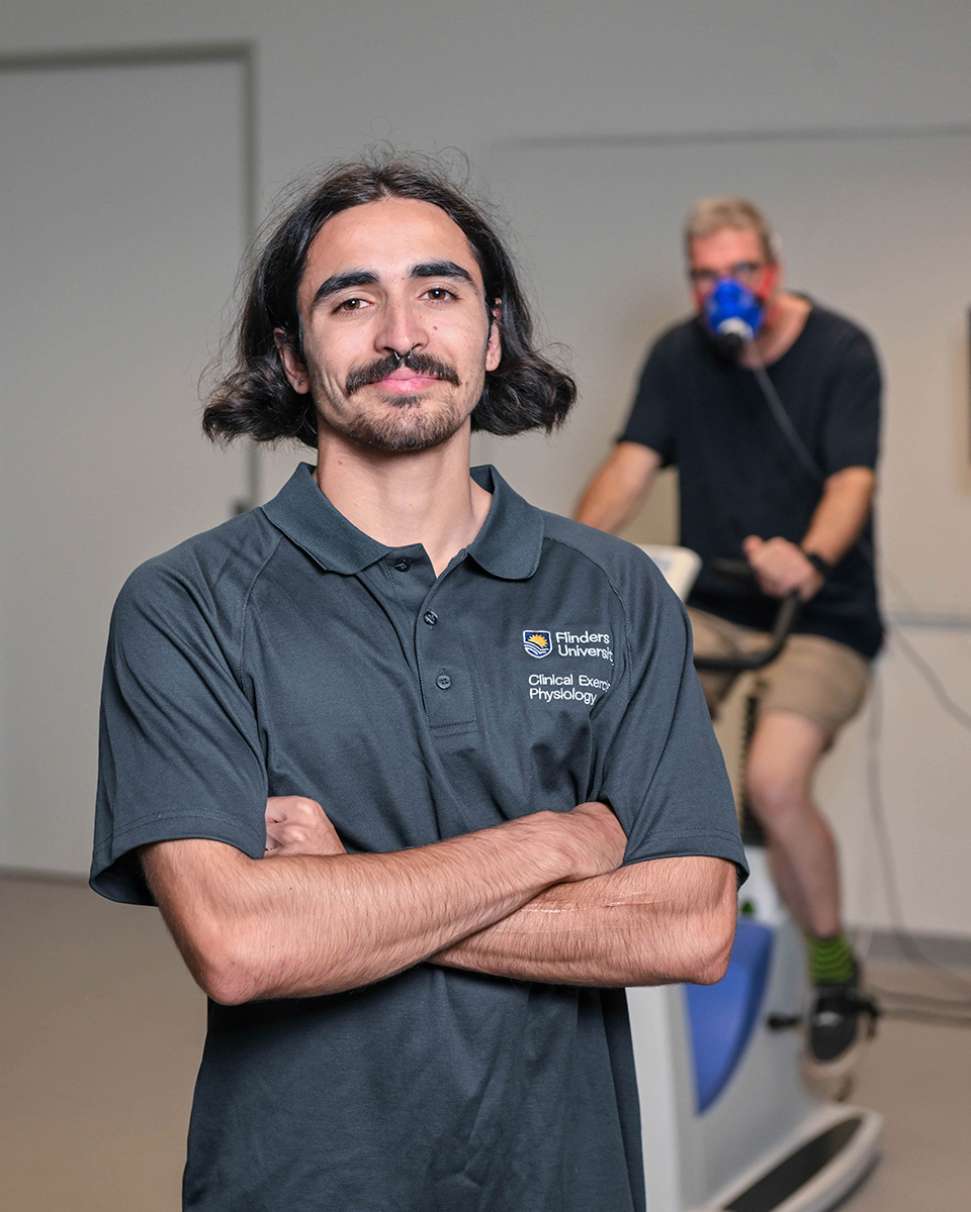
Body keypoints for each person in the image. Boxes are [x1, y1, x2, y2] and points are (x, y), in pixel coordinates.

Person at [90, 157, 746, 1212]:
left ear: (489, 339)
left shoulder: (612, 590)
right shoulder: (185, 604)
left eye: (438, 292)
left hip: (566, 1180)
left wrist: (350, 888)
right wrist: (560, 842)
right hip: (299, 1182)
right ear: (294, 359)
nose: (400, 331)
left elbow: (687, 928)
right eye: (350, 301)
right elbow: (243, 943)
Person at [575, 196, 883, 1080]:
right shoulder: (678, 355)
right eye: (704, 276)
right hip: (713, 606)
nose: (722, 291)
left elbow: (852, 481)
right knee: (624, 758)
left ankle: (830, 972)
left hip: (819, 613)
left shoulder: (840, 351)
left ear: (771, 271)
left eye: (737, 272)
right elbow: (629, 465)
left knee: (774, 784)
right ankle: (675, 945)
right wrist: (562, 562)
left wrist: (811, 559)